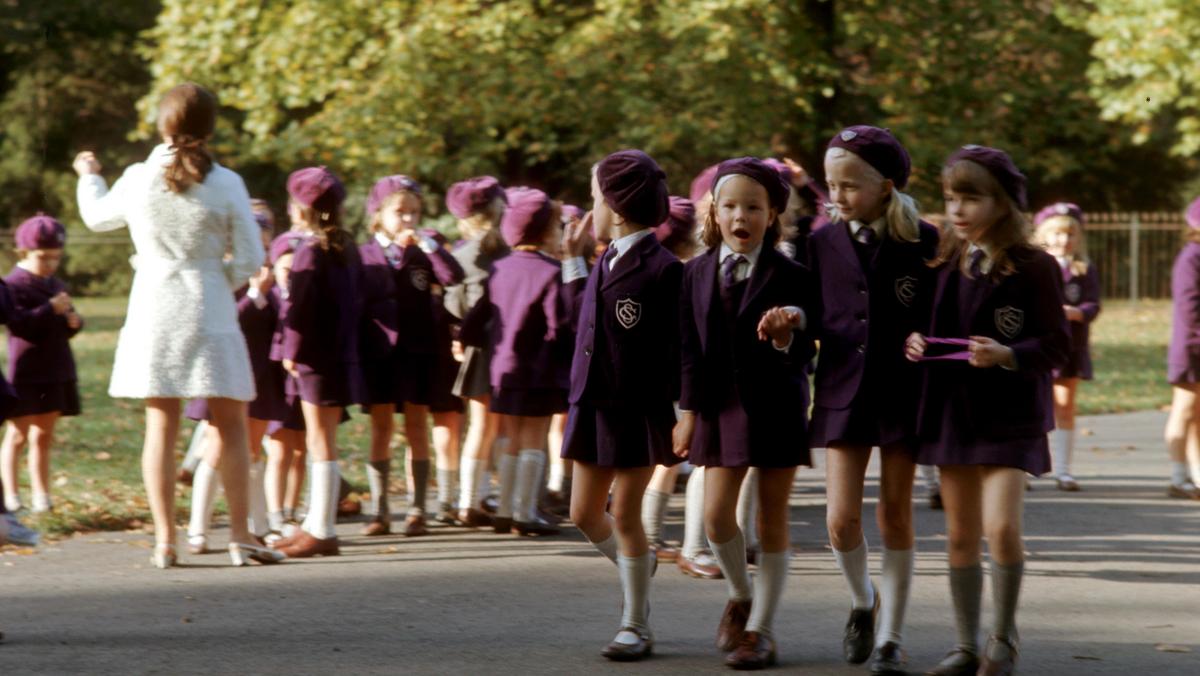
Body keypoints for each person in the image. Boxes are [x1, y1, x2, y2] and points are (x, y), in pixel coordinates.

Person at [74, 83, 282, 568]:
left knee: (161, 425)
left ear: (161, 125)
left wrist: (89, 175)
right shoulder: (228, 182)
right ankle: (238, 535)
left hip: (153, 306)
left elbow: (97, 217)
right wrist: (214, 279)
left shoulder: (136, 177)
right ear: (210, 128)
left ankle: (166, 541)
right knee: (231, 426)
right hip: (209, 307)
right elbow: (252, 256)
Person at [906, 145, 1069, 675]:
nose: (957, 210)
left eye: (971, 198)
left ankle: (1003, 638)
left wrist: (1007, 354)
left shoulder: (1035, 267)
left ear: (1003, 203)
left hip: (1010, 416)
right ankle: (965, 644)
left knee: (1000, 528)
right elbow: (927, 330)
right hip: (952, 412)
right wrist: (914, 343)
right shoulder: (942, 263)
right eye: (952, 198)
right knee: (958, 534)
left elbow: (1056, 346)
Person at [674, 157, 815, 669]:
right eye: (730, 205)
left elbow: (807, 352)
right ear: (714, 210)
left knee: (771, 516)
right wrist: (686, 412)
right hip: (716, 406)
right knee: (715, 519)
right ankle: (741, 593)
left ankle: (760, 631)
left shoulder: (793, 274)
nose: (742, 215)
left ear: (772, 212)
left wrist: (785, 337)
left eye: (754, 207)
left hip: (777, 404)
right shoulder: (693, 273)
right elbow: (688, 348)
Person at [809, 126, 939, 674]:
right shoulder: (819, 242)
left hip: (903, 392)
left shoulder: (925, 241)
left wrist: (929, 338)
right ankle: (865, 601)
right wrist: (794, 324)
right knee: (840, 521)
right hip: (842, 391)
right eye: (830, 185)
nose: (837, 197)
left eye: (850, 186)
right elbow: (814, 312)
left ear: (886, 186)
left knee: (895, 515)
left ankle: (891, 637)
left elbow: (941, 313)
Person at [562, 150, 681, 661]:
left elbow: (681, 348)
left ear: (617, 205)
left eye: (594, 197)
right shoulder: (604, 259)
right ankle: (641, 564)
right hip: (592, 404)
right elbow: (583, 325)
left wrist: (685, 410)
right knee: (585, 513)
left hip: (638, 407)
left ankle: (636, 622)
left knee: (626, 513)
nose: (591, 207)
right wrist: (571, 264)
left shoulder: (663, 269)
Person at [460, 187, 575, 536]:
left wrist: (469, 340)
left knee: (509, 437)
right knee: (534, 437)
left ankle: (505, 510)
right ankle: (526, 513)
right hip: (539, 370)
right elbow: (560, 325)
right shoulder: (552, 271)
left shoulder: (499, 268)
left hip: (503, 369)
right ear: (544, 231)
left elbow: (475, 321)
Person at [268, 166, 365, 558]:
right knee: (320, 438)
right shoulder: (346, 245)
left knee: (319, 440)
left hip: (314, 356)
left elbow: (298, 308)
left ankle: (322, 529)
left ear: (302, 207)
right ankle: (313, 521)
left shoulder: (310, 251)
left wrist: (290, 350)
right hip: (342, 352)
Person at [0, 215, 84, 515]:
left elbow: (66, 323)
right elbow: (19, 324)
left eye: (56, 258)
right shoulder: (13, 285)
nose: (50, 264)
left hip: (55, 367)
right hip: (26, 370)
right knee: (19, 434)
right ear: (24, 252)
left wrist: (73, 321)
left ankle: (41, 493)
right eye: (43, 257)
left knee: (43, 435)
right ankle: (11, 493)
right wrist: (49, 309)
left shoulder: (56, 284)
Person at [444, 177, 510, 527]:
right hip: (510, 347)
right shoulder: (510, 251)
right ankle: (484, 496)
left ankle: (470, 498)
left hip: (478, 348)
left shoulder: (461, 256)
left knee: (479, 426)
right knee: (500, 427)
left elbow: (453, 304)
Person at [1034, 202, 1100, 491]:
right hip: (1035, 346)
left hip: (1070, 347)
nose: (1064, 240)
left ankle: (1063, 470)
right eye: (1058, 233)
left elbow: (1093, 304)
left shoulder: (1083, 270)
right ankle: (1027, 467)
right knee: (1034, 405)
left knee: (1065, 406)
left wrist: (1076, 312)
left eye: (1070, 234)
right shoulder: (1034, 266)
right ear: (1044, 234)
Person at [1163, 196, 1200, 500]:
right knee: (1185, 409)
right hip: (1191, 348)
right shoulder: (1191, 257)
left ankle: (1196, 474)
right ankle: (1178, 476)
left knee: (1198, 413)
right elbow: (1189, 308)